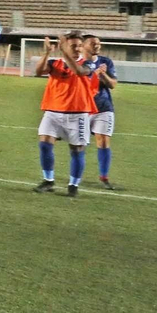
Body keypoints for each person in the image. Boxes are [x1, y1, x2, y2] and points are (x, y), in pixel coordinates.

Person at [35, 32, 98, 196]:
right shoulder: (54, 63)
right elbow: (38, 71)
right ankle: (48, 180)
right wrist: (47, 52)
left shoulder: (88, 64)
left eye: (79, 46)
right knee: (44, 145)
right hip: (53, 111)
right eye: (73, 46)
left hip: (78, 114)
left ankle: (73, 185)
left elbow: (78, 71)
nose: (77, 49)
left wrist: (64, 51)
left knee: (77, 150)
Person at [82, 35, 118, 189]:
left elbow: (113, 84)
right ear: (83, 45)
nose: (97, 45)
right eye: (93, 43)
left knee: (103, 141)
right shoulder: (78, 63)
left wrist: (102, 74)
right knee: (79, 144)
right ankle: (75, 176)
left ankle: (104, 177)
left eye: (98, 43)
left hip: (103, 107)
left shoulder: (106, 62)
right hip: (82, 108)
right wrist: (94, 75)